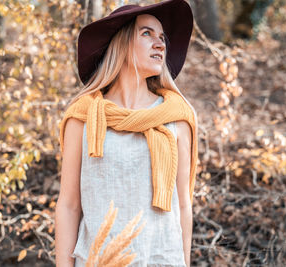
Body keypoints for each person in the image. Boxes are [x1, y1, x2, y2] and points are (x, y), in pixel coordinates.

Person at [55, 0, 198, 266]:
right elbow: (69, 205)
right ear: (121, 43)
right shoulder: (84, 116)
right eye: (147, 33)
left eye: (162, 37)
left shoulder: (177, 117)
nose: (160, 44)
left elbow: (183, 206)